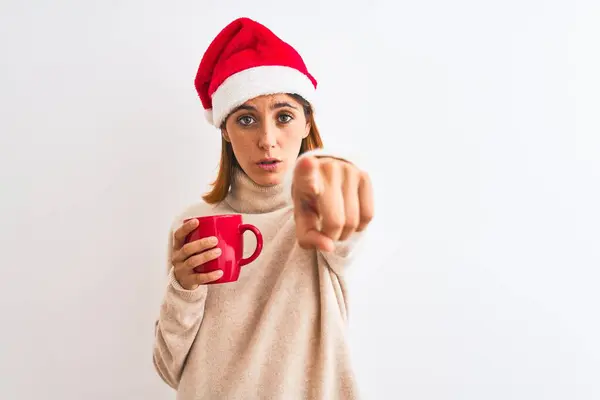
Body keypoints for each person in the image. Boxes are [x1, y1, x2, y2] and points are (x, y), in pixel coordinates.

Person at [152, 17, 374, 399]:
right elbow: (170, 369)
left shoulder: (318, 211)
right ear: (225, 129)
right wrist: (183, 288)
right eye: (247, 120)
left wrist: (340, 177)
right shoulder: (195, 224)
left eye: (284, 116)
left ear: (307, 122)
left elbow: (348, 226)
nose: (267, 140)